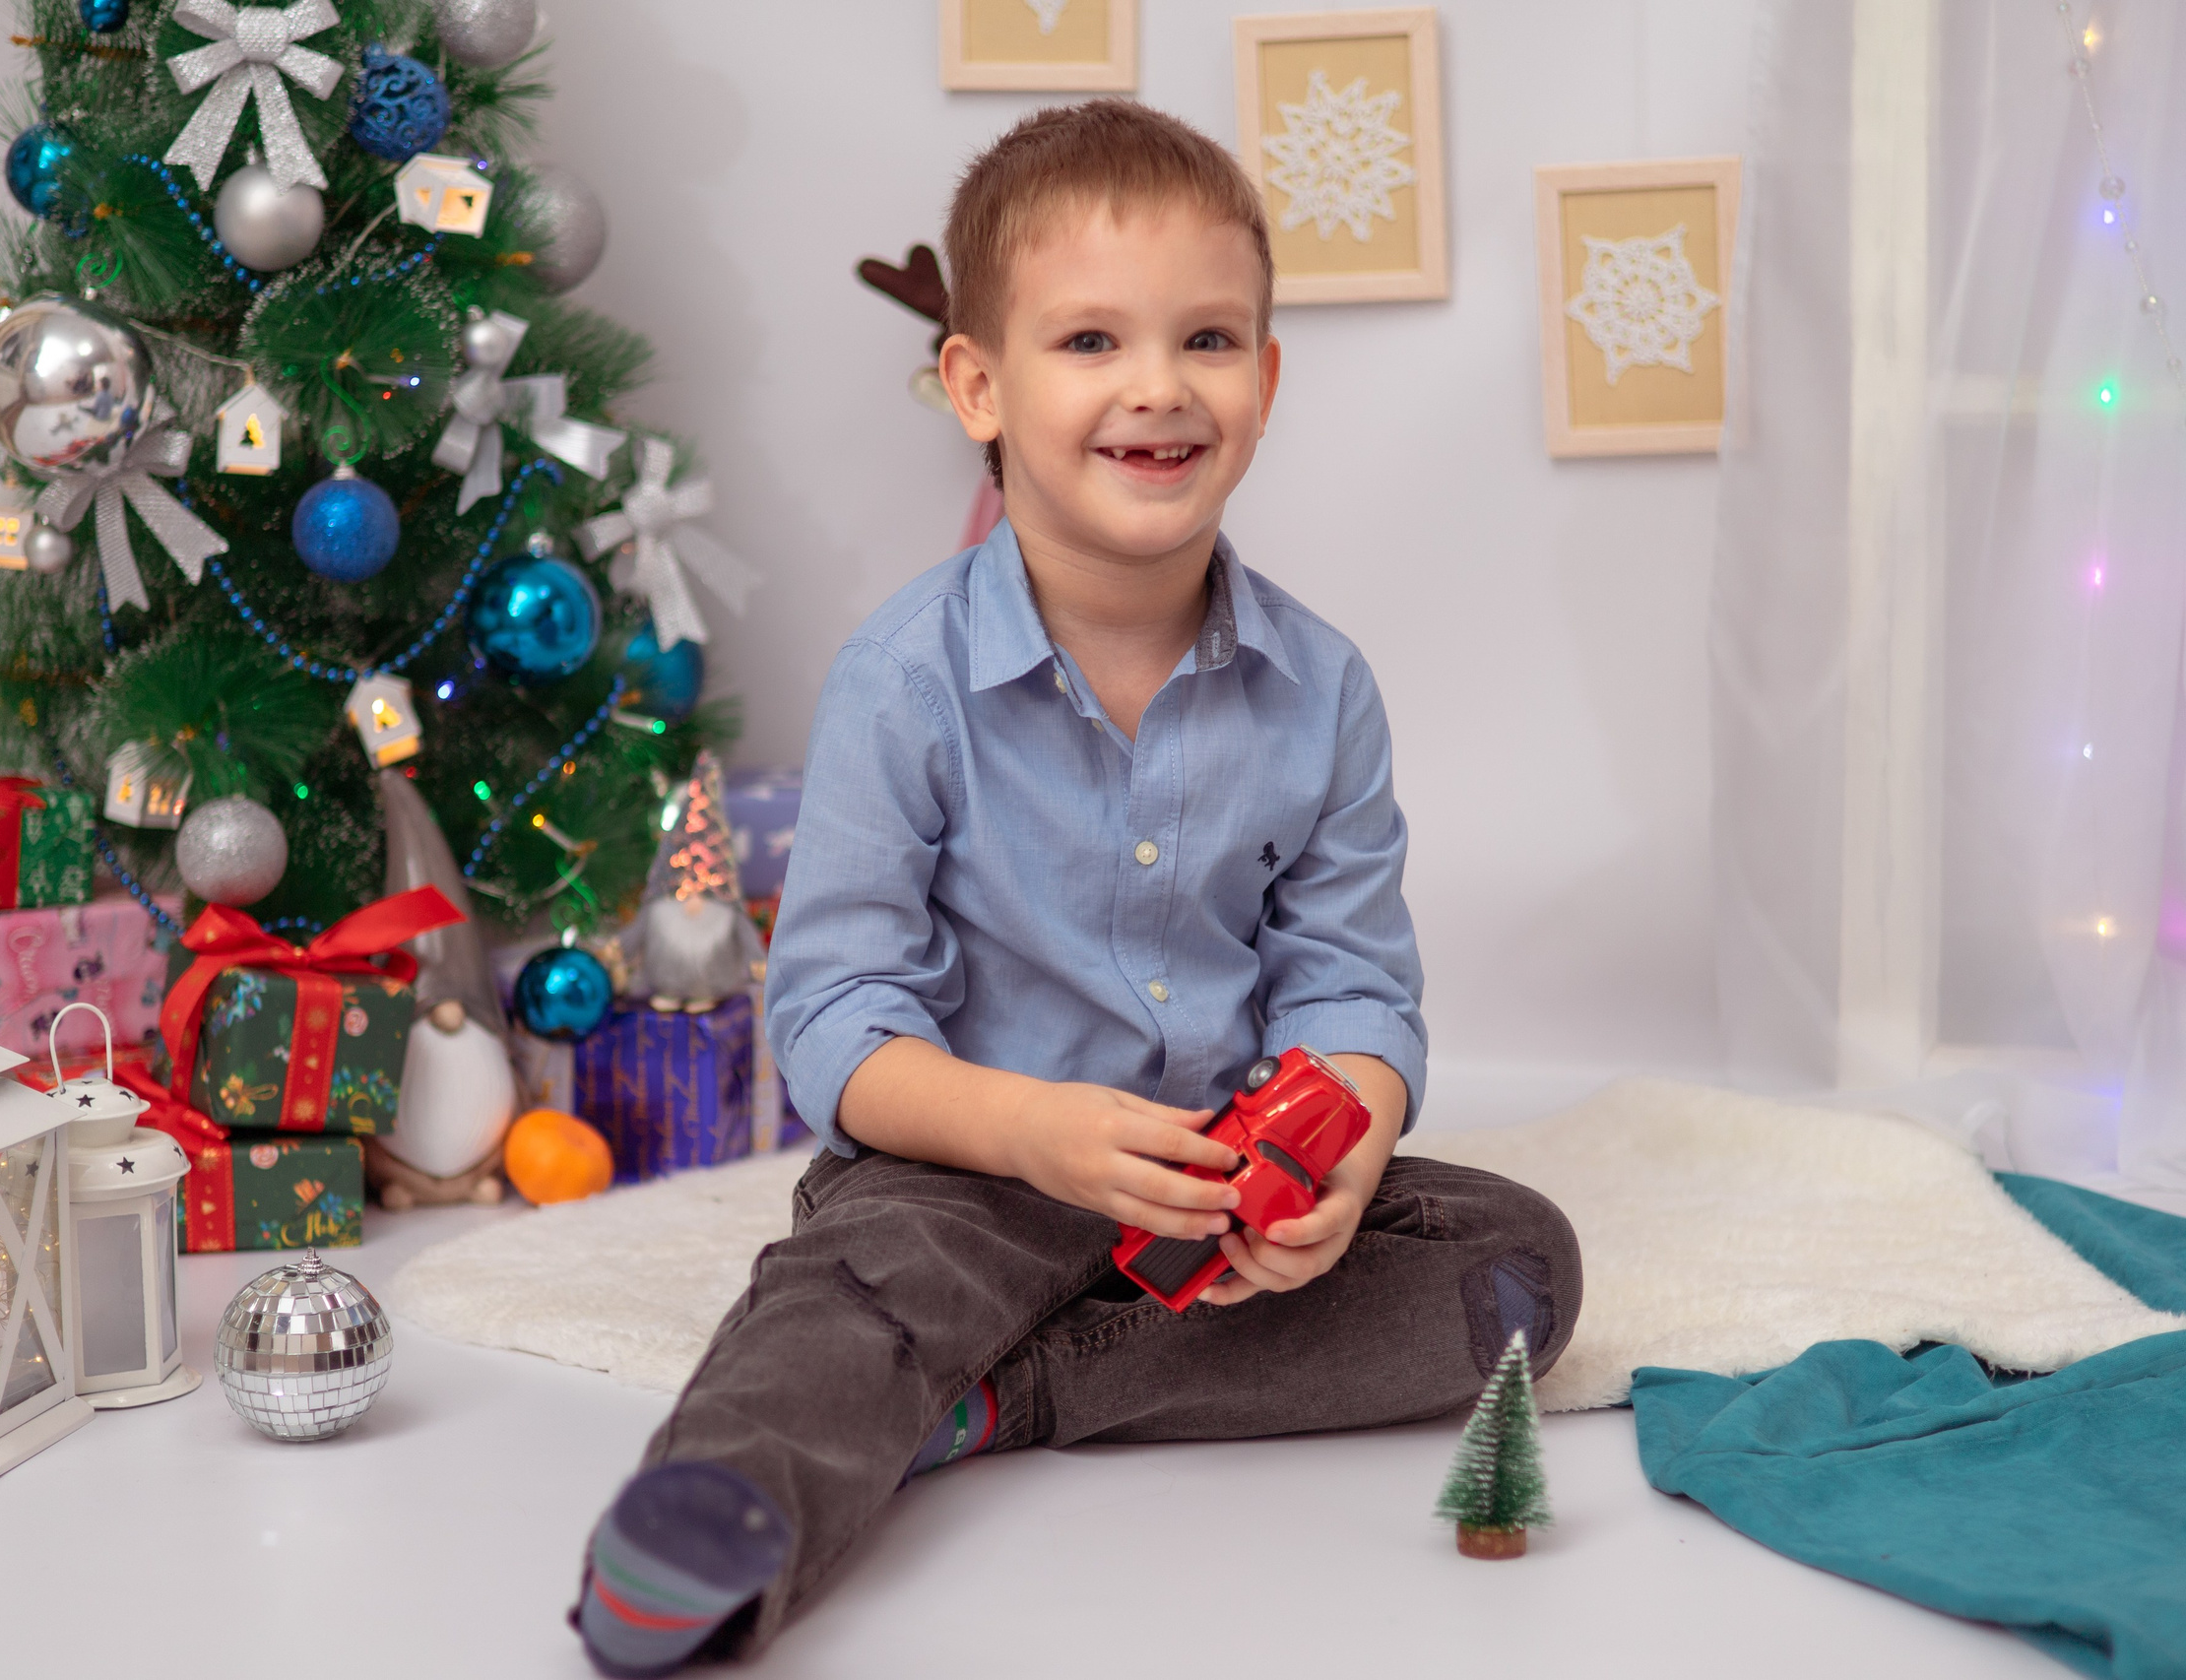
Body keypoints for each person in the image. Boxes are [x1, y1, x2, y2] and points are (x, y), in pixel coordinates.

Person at [573, 99, 1582, 1676]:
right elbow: (835, 1014)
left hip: (1213, 1200)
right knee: (844, 1297)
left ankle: (1011, 1396)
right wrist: (1028, 1129)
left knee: (1515, 1262)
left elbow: (1353, 984)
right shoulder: (905, 681)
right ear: (977, 384)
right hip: (961, 1177)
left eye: (1210, 339)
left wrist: (1348, 1136)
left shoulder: (1322, 690)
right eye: (1092, 340)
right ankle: (721, 1514)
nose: (1159, 387)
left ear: (1265, 379)